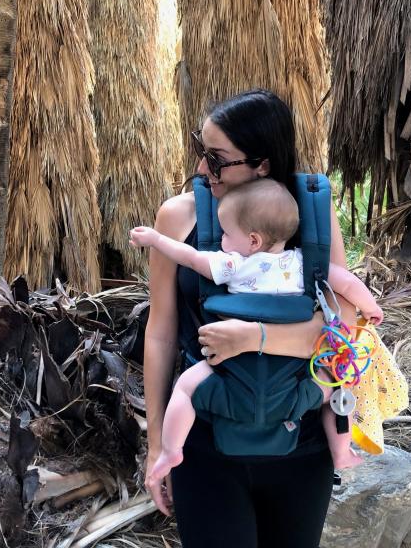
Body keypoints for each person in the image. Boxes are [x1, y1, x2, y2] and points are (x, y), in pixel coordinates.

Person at [143, 89, 376, 548]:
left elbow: (339, 330)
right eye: (201, 150)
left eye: (217, 158)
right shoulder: (177, 217)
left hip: (302, 434)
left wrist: (254, 337)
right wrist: (156, 444)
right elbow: (161, 332)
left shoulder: (311, 211)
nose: (202, 169)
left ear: (262, 165)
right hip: (205, 439)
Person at [130, 177, 383, 479]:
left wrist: (156, 240)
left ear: (252, 241)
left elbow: (192, 258)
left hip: (233, 370)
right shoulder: (302, 265)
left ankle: (172, 450)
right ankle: (341, 450)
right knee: (337, 387)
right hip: (292, 377)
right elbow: (346, 282)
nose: (221, 240)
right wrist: (371, 308)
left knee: (185, 389)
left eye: (226, 233)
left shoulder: (235, 265)